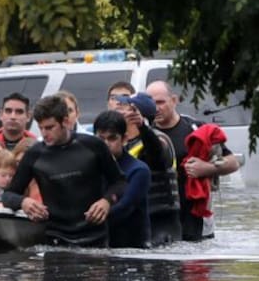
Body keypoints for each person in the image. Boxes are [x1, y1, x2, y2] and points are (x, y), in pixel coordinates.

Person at [0, 94, 126, 247]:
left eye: (50, 127)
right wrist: (23, 202)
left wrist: (106, 201)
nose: (44, 134)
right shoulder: (35, 155)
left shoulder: (93, 146)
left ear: (65, 121)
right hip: (56, 239)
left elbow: (119, 183)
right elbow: (8, 195)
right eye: (41, 128)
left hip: (94, 237)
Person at [146, 80, 240, 241]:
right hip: (159, 217)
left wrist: (207, 168)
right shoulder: (145, 133)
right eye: (151, 103)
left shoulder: (197, 130)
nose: (156, 108)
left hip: (195, 217)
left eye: (161, 102)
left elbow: (232, 162)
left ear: (174, 100)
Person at [109, 88, 181, 245]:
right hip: (135, 221)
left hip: (161, 226)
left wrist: (142, 126)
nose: (118, 109)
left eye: (125, 107)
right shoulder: (121, 143)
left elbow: (157, 155)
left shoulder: (159, 140)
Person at [93, 109, 151, 248]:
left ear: (124, 139)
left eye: (112, 138)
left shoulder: (138, 170)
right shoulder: (90, 167)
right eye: (101, 139)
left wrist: (86, 222)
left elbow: (125, 208)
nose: (106, 144)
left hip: (133, 248)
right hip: (101, 242)